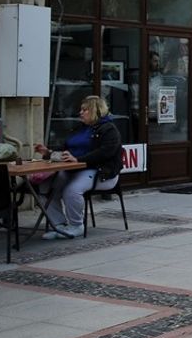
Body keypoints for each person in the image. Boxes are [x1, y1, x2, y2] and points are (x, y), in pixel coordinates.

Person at [33, 95, 124, 240]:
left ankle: (76, 225)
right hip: (73, 169)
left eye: (85, 110)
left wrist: (79, 159)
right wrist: (48, 153)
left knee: (72, 190)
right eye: (81, 110)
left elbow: (105, 152)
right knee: (45, 188)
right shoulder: (79, 128)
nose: (80, 113)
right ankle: (59, 225)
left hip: (99, 171)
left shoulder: (109, 129)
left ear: (95, 111)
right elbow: (65, 148)